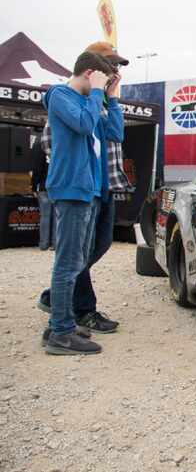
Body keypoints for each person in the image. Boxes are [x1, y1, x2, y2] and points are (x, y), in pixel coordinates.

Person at [38, 41, 129, 337]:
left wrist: (112, 99)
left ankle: (62, 315)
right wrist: (100, 93)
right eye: (107, 71)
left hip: (93, 189)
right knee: (69, 262)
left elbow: (115, 132)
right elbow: (81, 125)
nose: (113, 73)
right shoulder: (61, 95)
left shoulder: (92, 101)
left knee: (80, 257)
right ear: (91, 71)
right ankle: (61, 327)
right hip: (73, 188)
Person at [31, 133, 53, 250]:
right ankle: (55, 243)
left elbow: (37, 169)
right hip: (56, 186)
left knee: (45, 216)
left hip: (44, 186)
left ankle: (44, 244)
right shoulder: (58, 145)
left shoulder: (40, 146)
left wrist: (34, 187)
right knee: (57, 217)